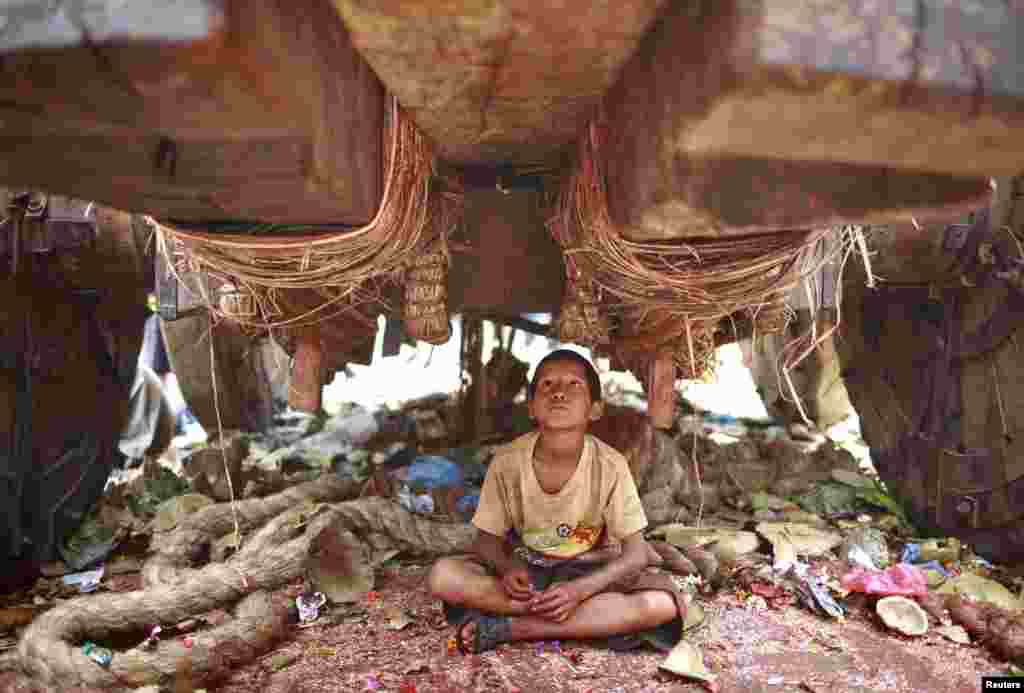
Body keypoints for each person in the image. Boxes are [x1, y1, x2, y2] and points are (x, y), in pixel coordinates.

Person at [428, 349, 687, 654]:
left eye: (574, 385)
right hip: (530, 569)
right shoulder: (508, 461)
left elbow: (634, 555)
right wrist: (508, 568)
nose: (559, 393)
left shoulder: (610, 464)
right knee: (443, 576)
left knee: (660, 604)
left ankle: (513, 628)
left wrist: (579, 591)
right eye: (547, 385)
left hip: (590, 571)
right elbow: (486, 543)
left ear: (595, 409)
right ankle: (570, 618)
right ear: (531, 408)